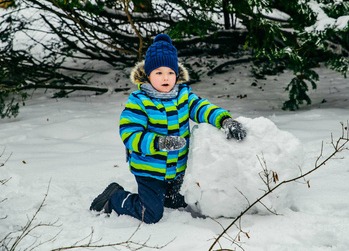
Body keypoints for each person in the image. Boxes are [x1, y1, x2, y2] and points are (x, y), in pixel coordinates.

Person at [90, 34, 246, 223]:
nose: (166, 77)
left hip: (177, 170)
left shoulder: (183, 95)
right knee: (151, 214)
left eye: (170, 72)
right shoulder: (139, 101)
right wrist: (159, 142)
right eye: (159, 72)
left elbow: (202, 108)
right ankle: (114, 198)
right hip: (149, 171)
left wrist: (224, 120)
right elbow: (129, 134)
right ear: (148, 75)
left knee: (178, 204)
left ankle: (163, 196)